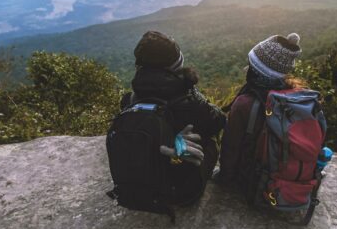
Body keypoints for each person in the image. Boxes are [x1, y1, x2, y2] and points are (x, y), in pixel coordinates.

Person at [123, 30, 226, 199]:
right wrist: (196, 94)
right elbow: (219, 121)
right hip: (181, 190)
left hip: (139, 183)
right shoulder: (189, 101)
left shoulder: (132, 97)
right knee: (210, 138)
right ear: (176, 66)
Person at [215, 32, 305, 190]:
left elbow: (231, 148)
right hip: (289, 177)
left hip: (253, 181)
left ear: (256, 70)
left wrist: (224, 180)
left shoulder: (244, 104)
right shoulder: (298, 97)